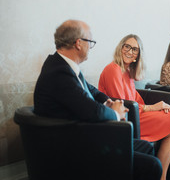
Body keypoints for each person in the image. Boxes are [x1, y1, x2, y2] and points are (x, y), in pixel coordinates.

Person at [33, 20, 162, 180]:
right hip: (72, 147)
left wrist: (109, 101)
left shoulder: (63, 66)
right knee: (154, 165)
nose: (91, 47)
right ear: (79, 43)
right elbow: (91, 110)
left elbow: (92, 91)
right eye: (90, 42)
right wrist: (115, 112)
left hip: (82, 135)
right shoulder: (59, 73)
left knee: (146, 147)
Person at [98, 34, 170, 179]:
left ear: (137, 56)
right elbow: (123, 105)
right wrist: (152, 108)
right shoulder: (112, 69)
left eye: (135, 49)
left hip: (135, 114)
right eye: (127, 46)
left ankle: (161, 176)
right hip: (125, 120)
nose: (130, 51)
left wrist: (154, 108)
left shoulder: (126, 71)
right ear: (121, 48)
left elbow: (135, 99)